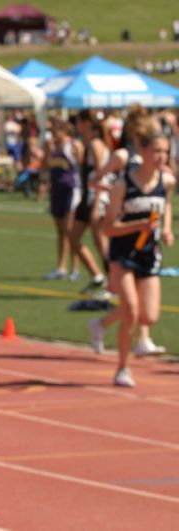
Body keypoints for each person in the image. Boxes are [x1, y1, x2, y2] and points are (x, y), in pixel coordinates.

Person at [90, 131, 175, 387]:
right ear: (144, 153)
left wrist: (167, 228)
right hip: (123, 254)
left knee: (149, 316)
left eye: (166, 152)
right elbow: (108, 228)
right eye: (156, 151)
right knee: (131, 311)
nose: (161, 157)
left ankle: (101, 324)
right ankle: (123, 368)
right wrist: (137, 225)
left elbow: (166, 204)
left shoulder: (167, 180)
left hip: (150, 254)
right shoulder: (122, 185)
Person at [70, 110, 109, 295]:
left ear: (86, 123)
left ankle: (113, 283)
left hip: (96, 197)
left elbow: (102, 174)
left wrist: (97, 204)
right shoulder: (86, 144)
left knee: (101, 242)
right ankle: (97, 276)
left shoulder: (95, 144)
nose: (75, 125)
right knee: (73, 238)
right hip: (87, 196)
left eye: (77, 121)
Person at [44, 120, 83, 280]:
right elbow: (47, 165)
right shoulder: (52, 146)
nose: (53, 134)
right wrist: (47, 151)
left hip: (71, 189)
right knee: (60, 230)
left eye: (55, 131)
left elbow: (81, 167)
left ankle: (75, 268)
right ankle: (61, 267)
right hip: (56, 190)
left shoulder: (74, 145)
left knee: (70, 229)